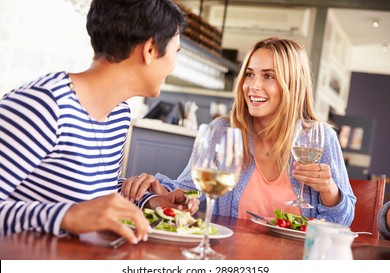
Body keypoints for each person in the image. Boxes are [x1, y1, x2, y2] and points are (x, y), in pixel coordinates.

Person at [0, 0, 198, 244]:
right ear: (150, 50)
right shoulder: (44, 105)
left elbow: (97, 194)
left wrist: (150, 201)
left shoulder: (117, 115)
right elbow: (74, 210)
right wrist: (66, 216)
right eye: (175, 51)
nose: (174, 65)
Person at [122, 37, 356, 226]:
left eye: (269, 76)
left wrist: (328, 189)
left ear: (292, 84)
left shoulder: (320, 138)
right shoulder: (222, 131)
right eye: (249, 74)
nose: (253, 85)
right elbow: (190, 189)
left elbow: (343, 221)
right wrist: (159, 190)